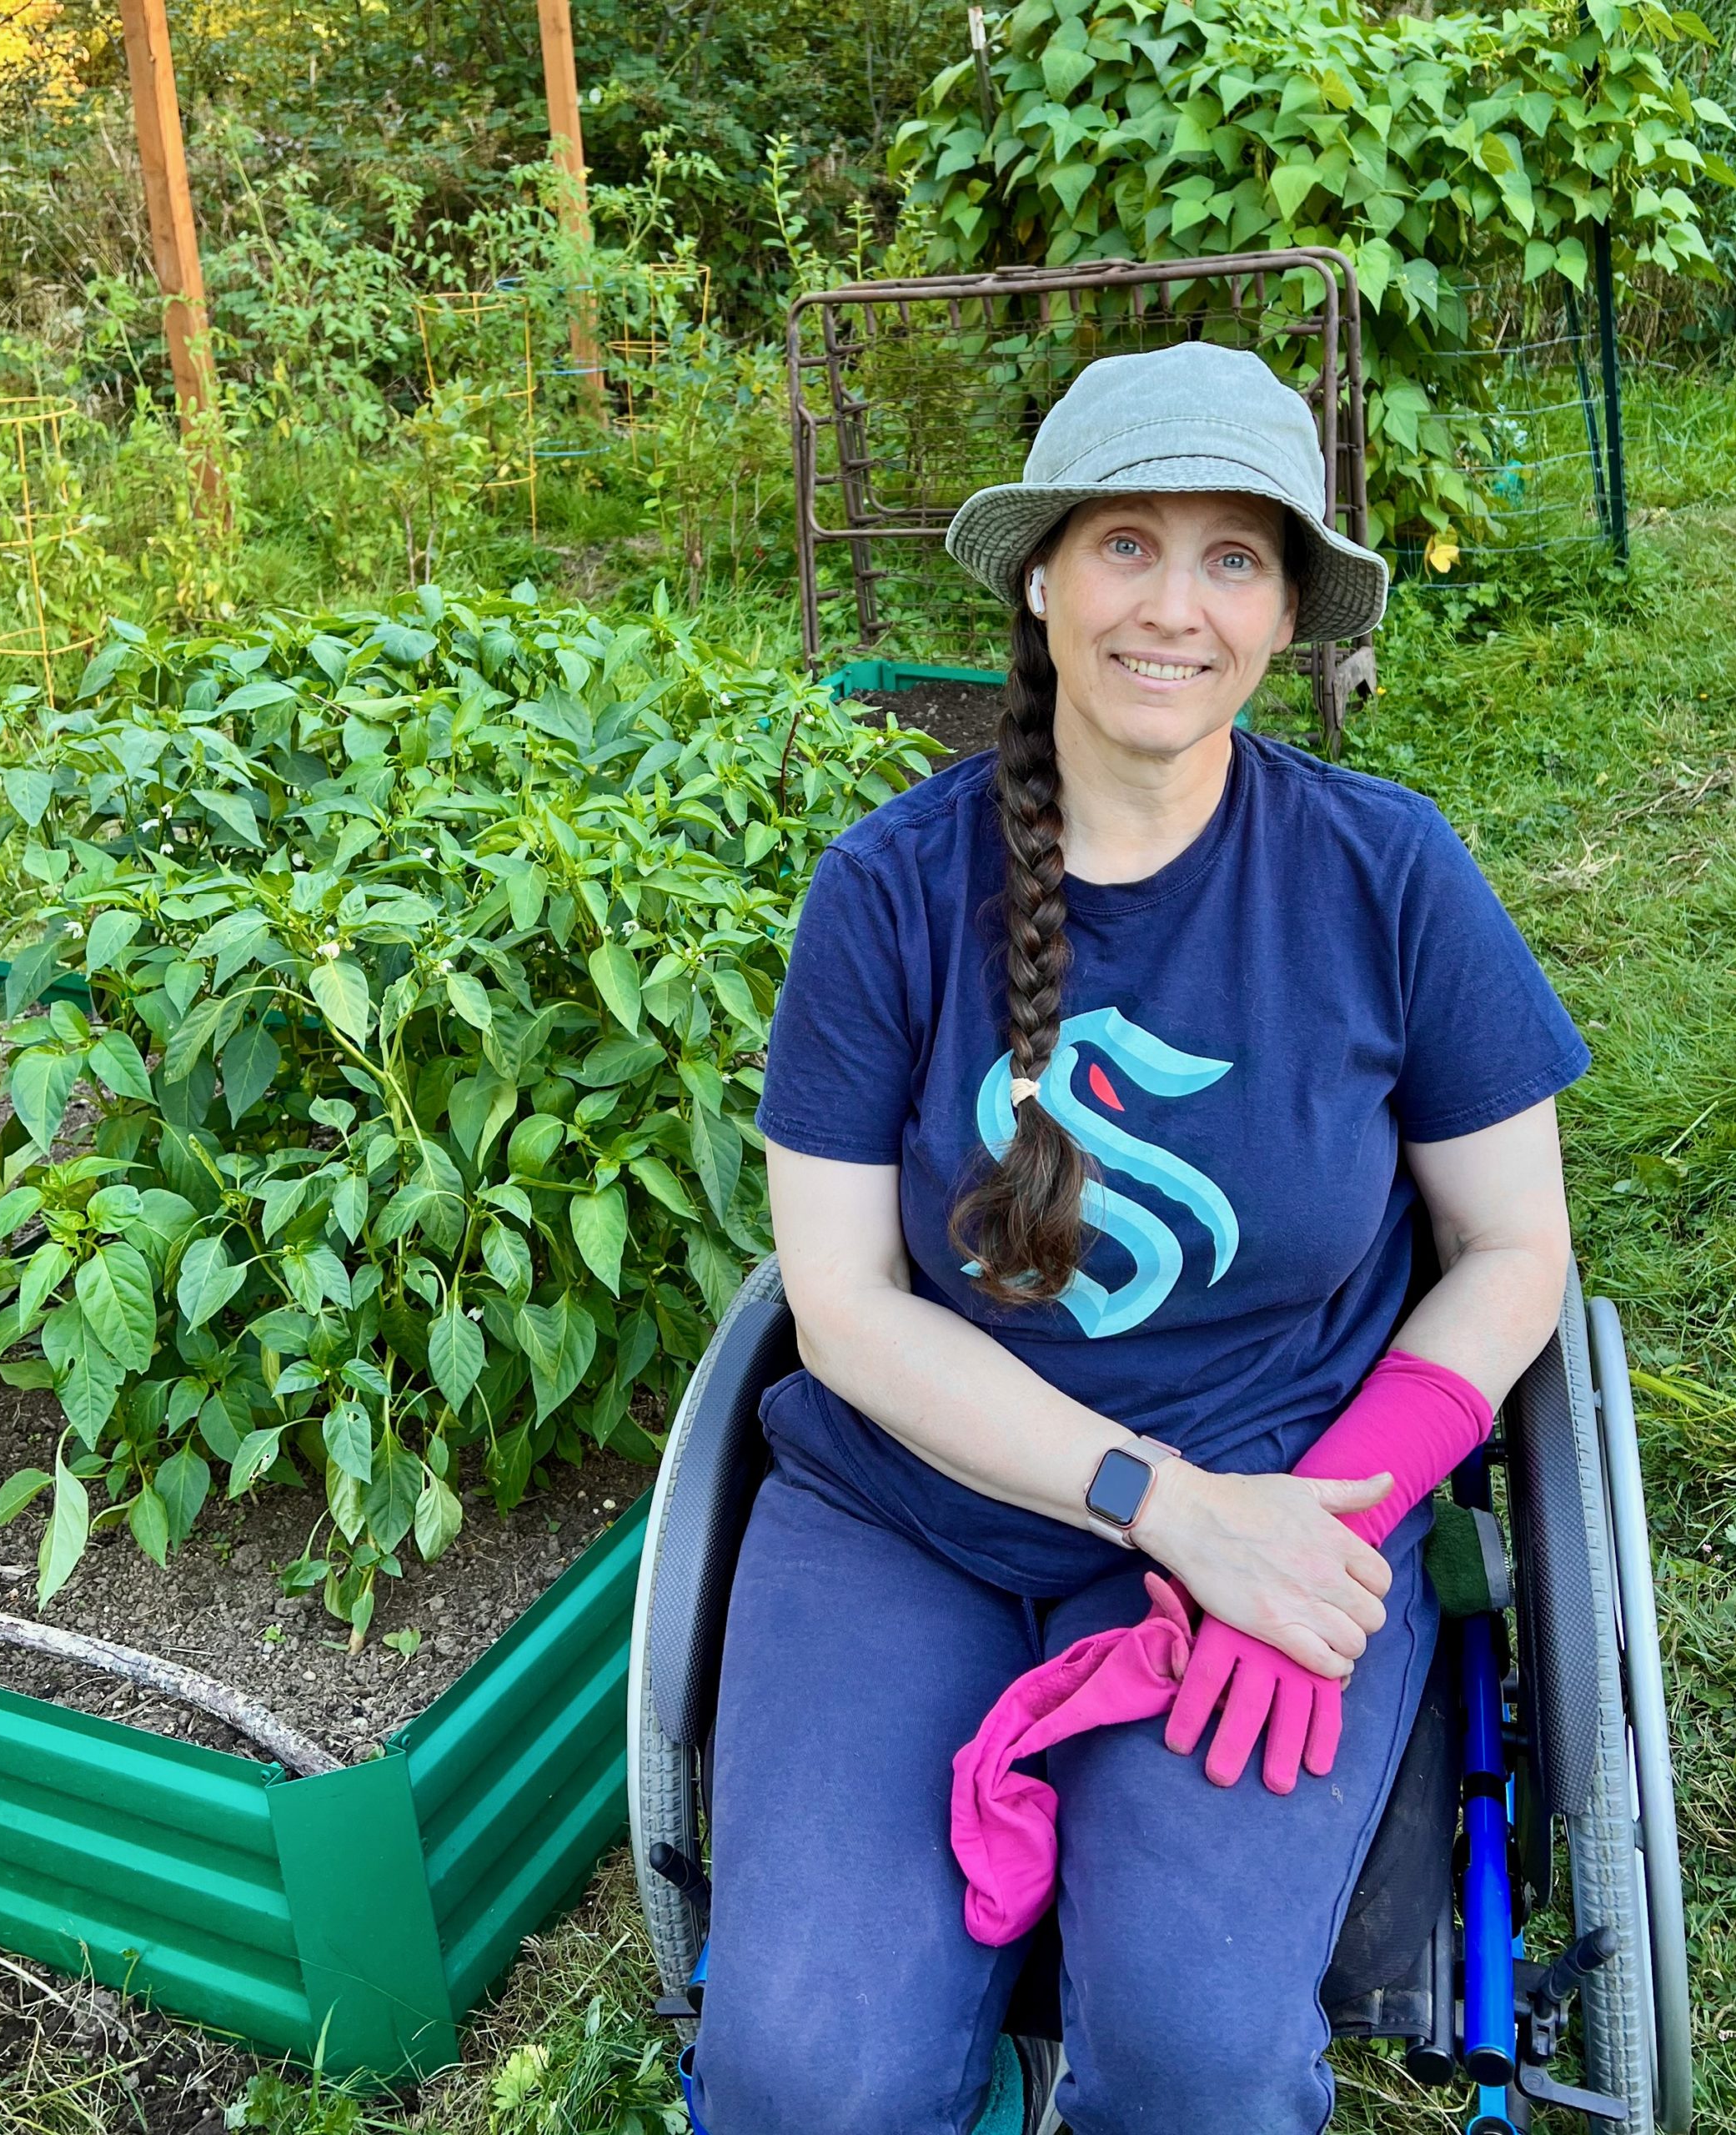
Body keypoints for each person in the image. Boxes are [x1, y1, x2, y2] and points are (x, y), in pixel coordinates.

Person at [688, 342, 1588, 2135]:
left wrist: (1326, 1522)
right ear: (1038, 575)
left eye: (1232, 556)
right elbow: (844, 1302)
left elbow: (1512, 1248)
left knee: (1193, 2066)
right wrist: (1157, 1502)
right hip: (912, 1511)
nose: (1172, 606)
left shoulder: (1385, 874)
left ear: (1281, 614)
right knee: (802, 2078)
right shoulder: (883, 894)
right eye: (1124, 544)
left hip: (1281, 1495)